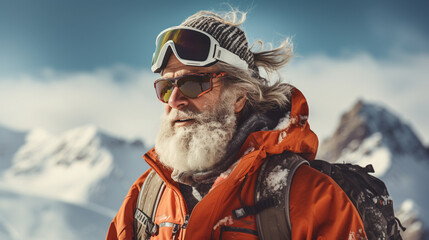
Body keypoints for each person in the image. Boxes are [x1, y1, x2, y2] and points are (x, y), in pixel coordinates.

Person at [106, 10, 367, 240]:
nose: (174, 100)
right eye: (166, 87)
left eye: (193, 84)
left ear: (240, 96)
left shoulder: (307, 197)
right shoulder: (146, 197)